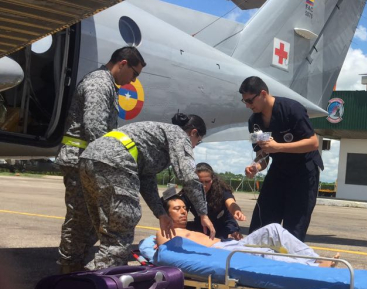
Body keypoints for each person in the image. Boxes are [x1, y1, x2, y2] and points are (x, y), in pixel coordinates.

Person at [77, 113, 215, 270]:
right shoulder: (179, 135)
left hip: (89, 159)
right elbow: (188, 177)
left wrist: (161, 214)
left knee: (104, 229)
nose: (195, 145)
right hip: (115, 163)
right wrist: (203, 213)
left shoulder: (158, 136)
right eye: (198, 140)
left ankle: (79, 269)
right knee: (119, 234)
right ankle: (94, 285)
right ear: (193, 132)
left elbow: (146, 179)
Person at [56, 46, 146, 273]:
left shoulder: (108, 84)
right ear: (123, 63)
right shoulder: (99, 83)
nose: (132, 81)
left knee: (88, 218)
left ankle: (74, 265)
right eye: (134, 74)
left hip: (88, 160)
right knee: (79, 218)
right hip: (80, 160)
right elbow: (94, 127)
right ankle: (68, 268)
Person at [241, 76, 323, 242]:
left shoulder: (292, 109)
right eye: (245, 102)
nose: (248, 106)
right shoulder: (254, 122)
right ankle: (256, 260)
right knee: (262, 220)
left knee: (294, 227)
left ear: (263, 93)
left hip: (304, 171)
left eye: (250, 101)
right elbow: (263, 156)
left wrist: (278, 147)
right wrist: (256, 166)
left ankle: (288, 262)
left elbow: (313, 143)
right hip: (279, 169)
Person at [153, 195, 338, 267]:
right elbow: (167, 250)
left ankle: (315, 259)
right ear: (166, 214)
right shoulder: (165, 232)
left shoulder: (193, 227)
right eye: (177, 209)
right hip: (220, 254)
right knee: (264, 253)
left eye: (184, 208)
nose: (184, 211)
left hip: (228, 245)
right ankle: (313, 267)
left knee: (273, 229)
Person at [185, 162, 246, 240]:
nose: (204, 185)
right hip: (201, 226)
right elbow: (179, 204)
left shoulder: (220, 190)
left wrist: (236, 211)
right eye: (200, 182)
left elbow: (231, 202)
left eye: (207, 181)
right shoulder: (189, 191)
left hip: (224, 226)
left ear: (213, 179)